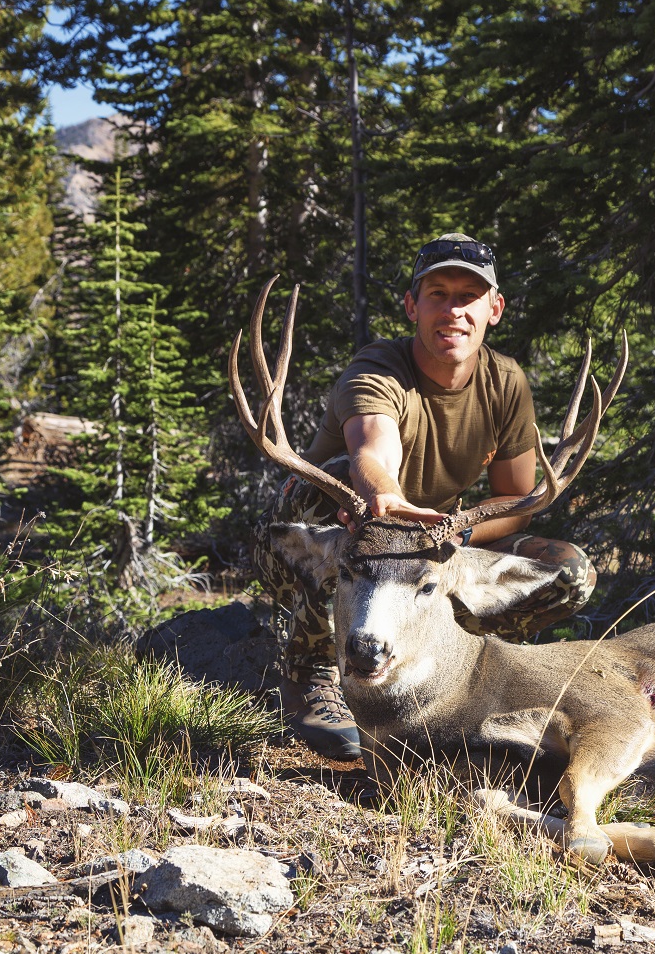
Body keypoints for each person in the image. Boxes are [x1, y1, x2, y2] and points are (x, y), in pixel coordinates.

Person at [252, 233, 597, 760]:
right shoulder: (378, 370)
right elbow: (371, 451)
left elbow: (515, 499)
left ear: (494, 309)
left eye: (468, 296)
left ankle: (467, 674)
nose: (453, 310)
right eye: (438, 293)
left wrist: (454, 536)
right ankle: (313, 672)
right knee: (335, 483)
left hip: (421, 551)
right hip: (327, 537)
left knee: (567, 571)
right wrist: (386, 500)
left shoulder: (506, 385)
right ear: (413, 305)